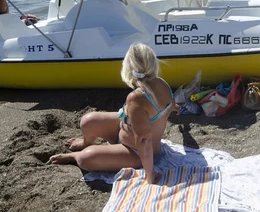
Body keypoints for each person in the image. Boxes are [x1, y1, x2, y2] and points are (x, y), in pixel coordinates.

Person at [49, 43, 179, 184]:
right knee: (87, 120)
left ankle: (74, 155)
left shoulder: (137, 98)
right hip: (123, 130)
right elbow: (170, 105)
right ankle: (86, 143)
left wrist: (150, 173)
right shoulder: (162, 83)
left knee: (85, 159)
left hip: (136, 152)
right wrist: (174, 108)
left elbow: (143, 140)